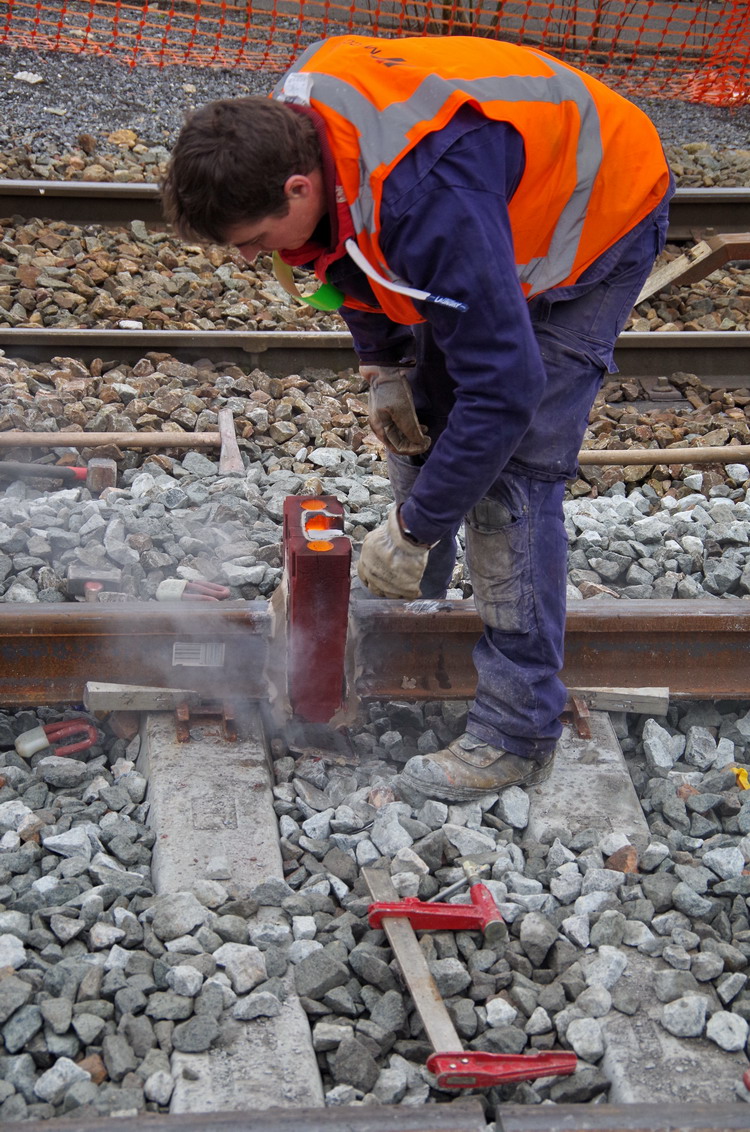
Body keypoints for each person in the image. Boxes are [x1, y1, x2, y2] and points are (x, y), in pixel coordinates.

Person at [162, 34, 674, 803]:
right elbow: (340, 254)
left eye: (256, 241)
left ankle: (515, 732)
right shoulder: (297, 135)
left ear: (297, 188)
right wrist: (387, 365)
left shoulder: (428, 201)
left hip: (598, 212)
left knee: (512, 476)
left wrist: (414, 527)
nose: (251, 258)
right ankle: (417, 609)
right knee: (423, 419)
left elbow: (506, 390)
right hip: (480, 206)